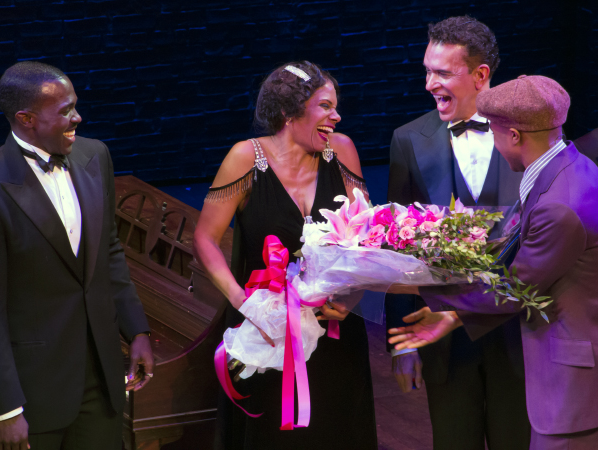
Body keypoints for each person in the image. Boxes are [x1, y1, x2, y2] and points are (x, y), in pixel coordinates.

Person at [389, 75, 598, 449]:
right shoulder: (571, 166)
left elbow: (515, 287)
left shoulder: (559, 205)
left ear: (514, 135)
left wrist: (402, 282)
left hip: (568, 386)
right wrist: (453, 316)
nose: (496, 145)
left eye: (496, 133)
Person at [193, 61, 377, 450]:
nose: (336, 116)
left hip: (333, 333)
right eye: (325, 106)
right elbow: (206, 239)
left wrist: (351, 298)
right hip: (267, 333)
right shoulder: (245, 158)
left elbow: (367, 236)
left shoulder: (341, 151)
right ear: (289, 112)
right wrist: (249, 306)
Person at [0, 61, 154, 450]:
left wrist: (136, 329)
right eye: (65, 111)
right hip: (36, 390)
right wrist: (5, 410)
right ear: (26, 119)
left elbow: (109, 250)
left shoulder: (96, 157)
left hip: (101, 379)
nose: (78, 117)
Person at [385, 15, 530, 450]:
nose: (430, 82)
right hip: (443, 337)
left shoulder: (528, 133)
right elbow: (396, 251)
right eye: (427, 70)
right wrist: (402, 345)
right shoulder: (408, 139)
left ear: (481, 75)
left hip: (517, 334)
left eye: (443, 72)